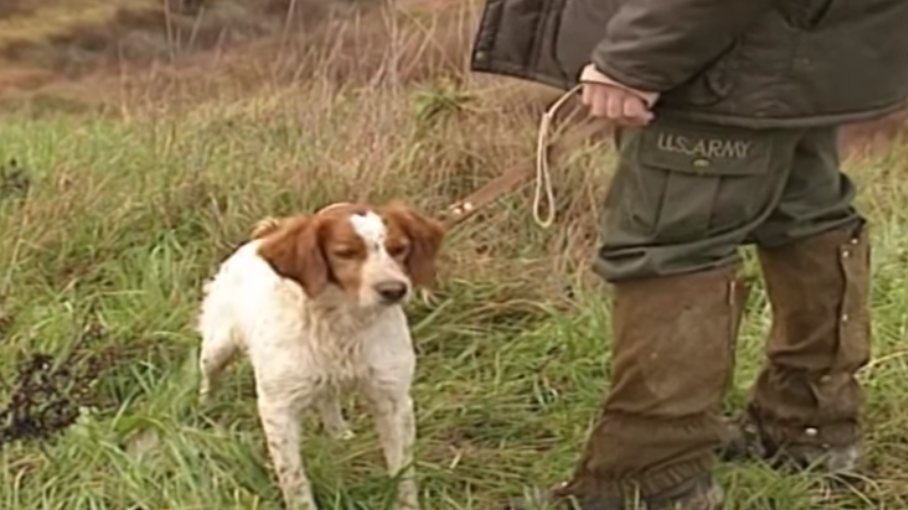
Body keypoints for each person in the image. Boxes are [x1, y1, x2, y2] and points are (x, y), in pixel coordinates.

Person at [469, 1, 908, 509]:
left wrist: (637, 59)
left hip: (728, 62)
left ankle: (653, 477)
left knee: (671, 250)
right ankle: (807, 427)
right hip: (801, 48)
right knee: (807, 219)